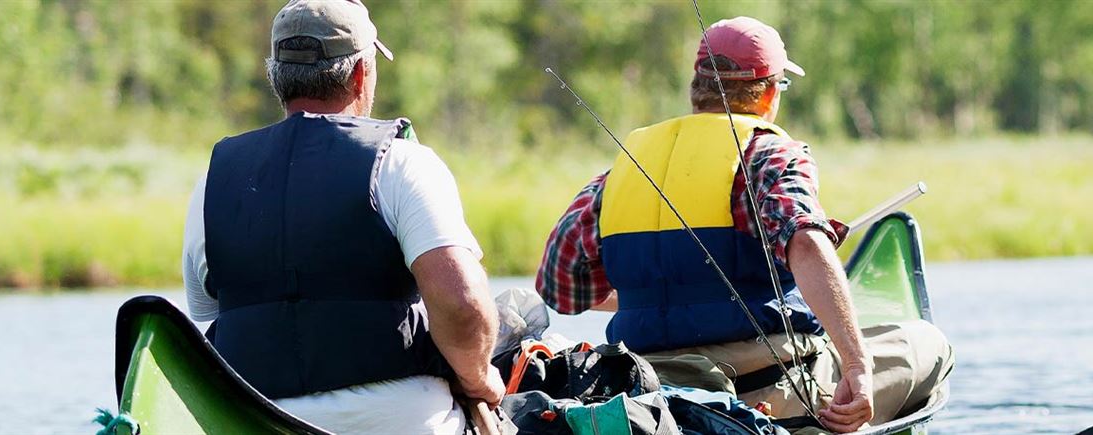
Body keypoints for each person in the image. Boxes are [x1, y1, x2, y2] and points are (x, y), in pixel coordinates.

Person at [536, 17, 951, 432]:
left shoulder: (620, 173)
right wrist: (857, 367)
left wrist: (658, 295)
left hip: (646, 389)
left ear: (696, 89)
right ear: (770, 91)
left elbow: (559, 289)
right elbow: (806, 245)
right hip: (760, 390)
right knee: (930, 345)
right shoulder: (769, 154)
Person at [180, 0, 501, 432]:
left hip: (253, 421)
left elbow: (207, 309)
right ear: (360, 74)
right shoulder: (403, 162)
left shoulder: (211, 180)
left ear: (276, 77)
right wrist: (480, 381)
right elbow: (462, 306)